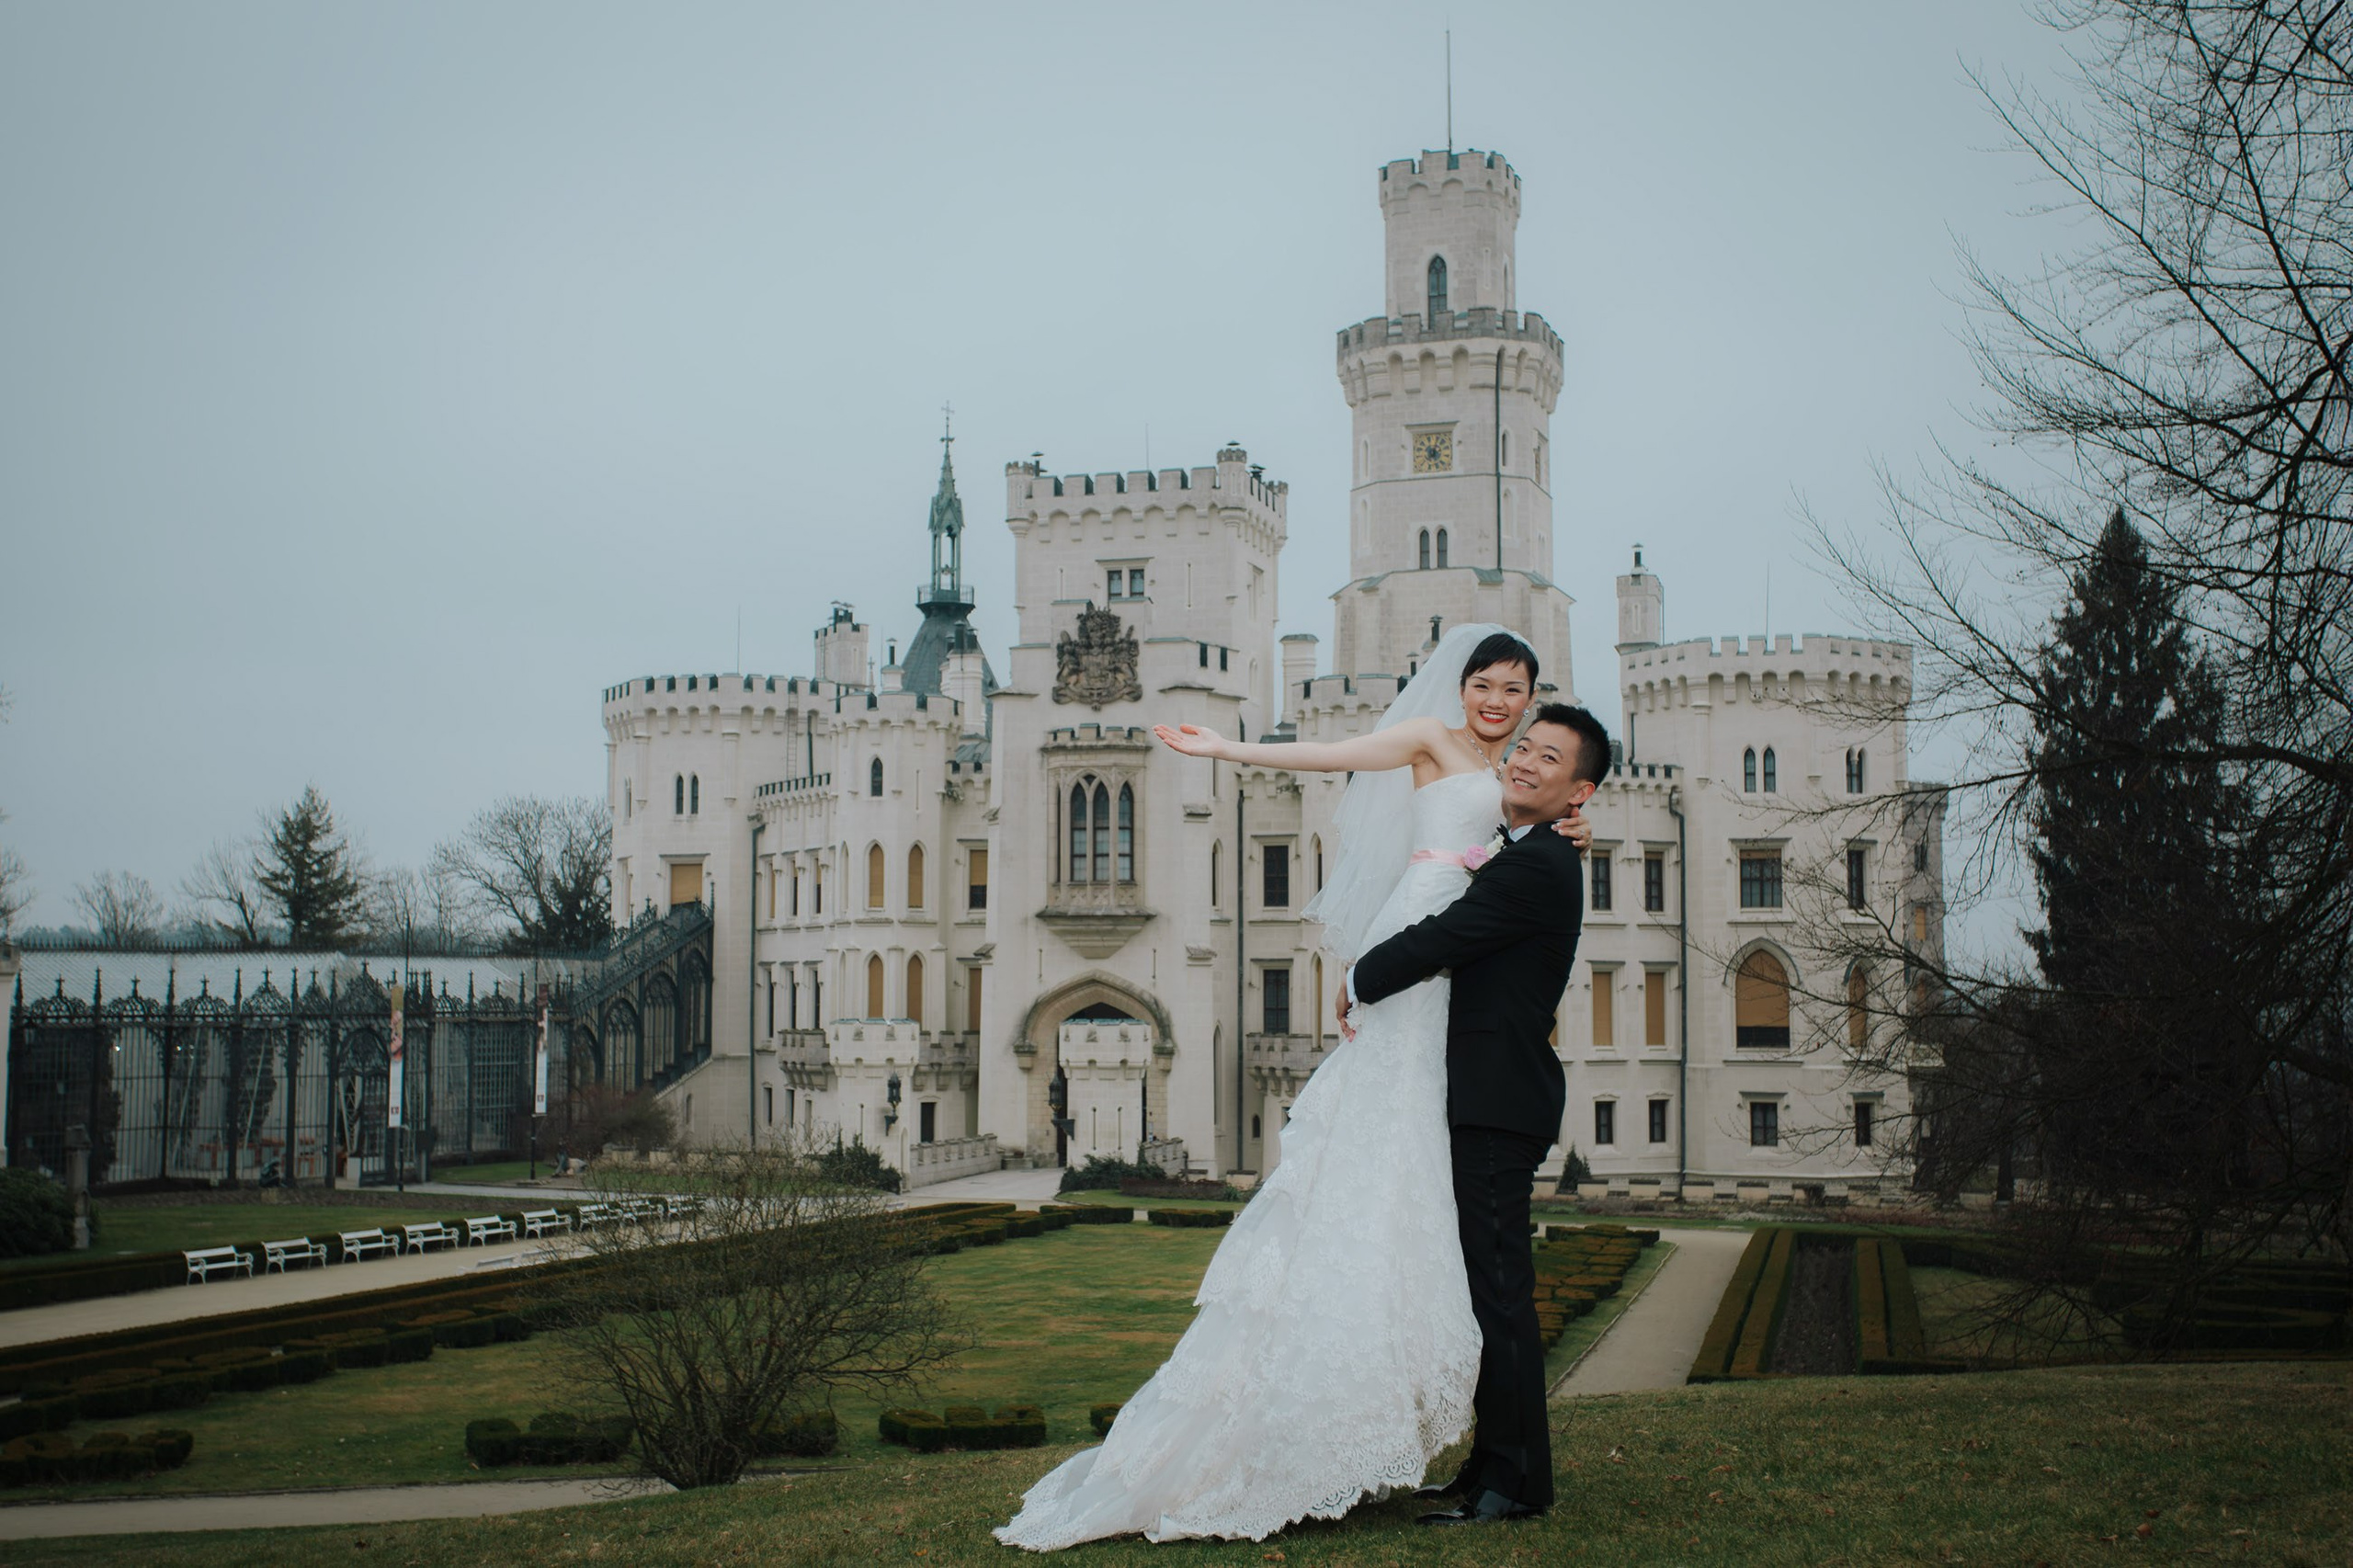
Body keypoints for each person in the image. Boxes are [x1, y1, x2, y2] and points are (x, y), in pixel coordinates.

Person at [994, 625, 1592, 1551]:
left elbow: (1535, 837)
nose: (1498, 701)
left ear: (1531, 699)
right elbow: (1335, 756)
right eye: (1484, 683)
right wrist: (1227, 746)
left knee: (1446, 1218)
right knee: (1402, 1180)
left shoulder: (1529, 792)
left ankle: (1496, 1462)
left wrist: (1568, 824)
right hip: (1423, 960)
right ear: (1461, 687)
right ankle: (1488, 1462)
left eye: (1515, 688)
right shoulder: (1440, 747)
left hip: (1452, 988)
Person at [1343, 698, 1609, 1526]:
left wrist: (1358, 978)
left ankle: (1515, 1483)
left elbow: (1448, 936)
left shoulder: (1537, 866)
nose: (1525, 760)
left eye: (1549, 759)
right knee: (1488, 1293)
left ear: (1580, 794)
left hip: (1499, 1101)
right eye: (1523, 747)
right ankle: (1492, 1469)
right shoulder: (1529, 849)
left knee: (1501, 1296)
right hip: (1492, 1094)